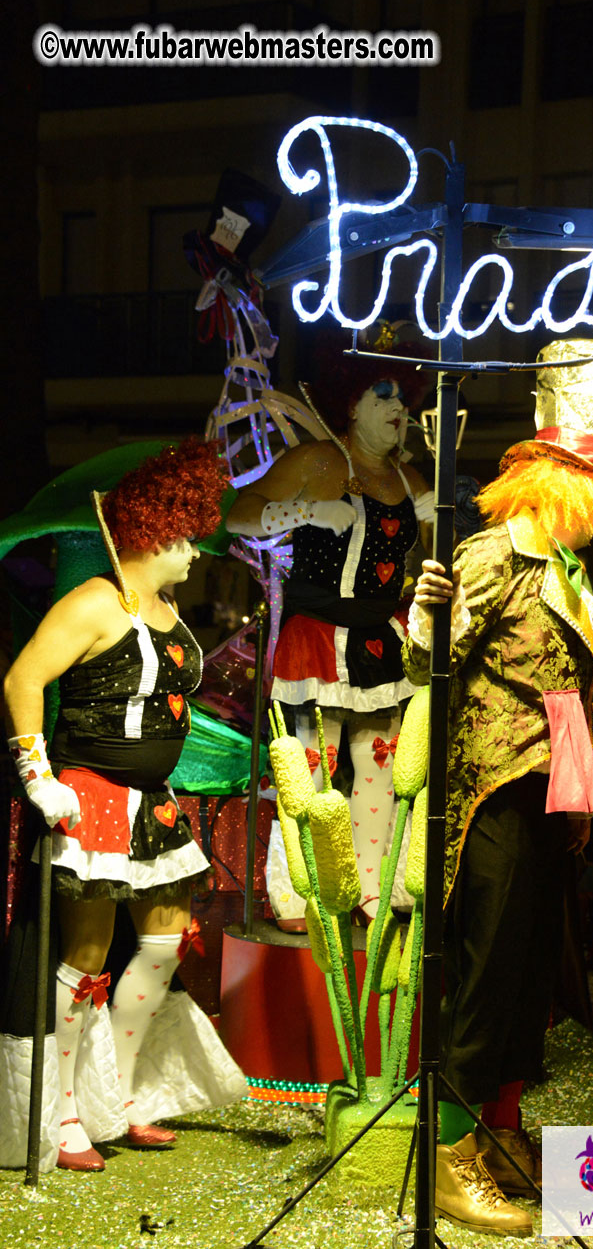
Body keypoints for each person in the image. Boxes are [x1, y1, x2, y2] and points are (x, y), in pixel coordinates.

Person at [404, 338, 593, 1236]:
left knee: (529, 974)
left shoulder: (570, 574)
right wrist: (425, 611)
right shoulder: (491, 555)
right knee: (487, 972)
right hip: (494, 793)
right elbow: (426, 664)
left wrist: (579, 800)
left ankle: (500, 1129)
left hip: (548, 795)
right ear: (556, 487)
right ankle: (450, 1155)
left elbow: (573, 694)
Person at [2, 439, 246, 1172]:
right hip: (93, 800)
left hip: (155, 806)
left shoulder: (167, 608)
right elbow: (22, 679)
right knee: (82, 959)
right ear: (154, 533)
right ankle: (64, 1111)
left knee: (164, 946)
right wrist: (37, 775)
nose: (197, 553)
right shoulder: (92, 603)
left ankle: (121, 1093)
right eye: (188, 538)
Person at [227, 331, 433, 920]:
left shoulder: (411, 479)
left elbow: (436, 555)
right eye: (383, 395)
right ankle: (293, 891)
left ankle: (369, 889)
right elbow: (238, 515)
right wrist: (306, 510)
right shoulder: (319, 461)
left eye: (404, 398)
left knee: (380, 767)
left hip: (382, 639)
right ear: (351, 403)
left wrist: (442, 517)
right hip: (317, 637)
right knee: (308, 773)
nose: (398, 409)